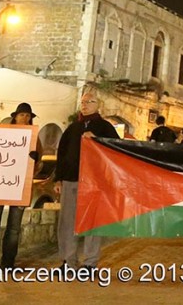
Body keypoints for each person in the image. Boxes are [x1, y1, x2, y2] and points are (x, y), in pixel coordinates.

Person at [54, 89, 119, 268]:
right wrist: (58, 178)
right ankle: (68, 260)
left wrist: (97, 140)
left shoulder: (106, 128)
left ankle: (90, 263)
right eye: (83, 102)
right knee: (67, 221)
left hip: (95, 182)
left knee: (93, 222)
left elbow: (116, 150)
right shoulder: (72, 128)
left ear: (99, 105)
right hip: (71, 179)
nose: (84, 105)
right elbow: (62, 153)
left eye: (89, 101)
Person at [0, 102, 39, 268]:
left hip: (20, 188)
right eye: (22, 115)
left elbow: (38, 164)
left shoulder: (34, 138)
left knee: (14, 228)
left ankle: (8, 263)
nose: (25, 118)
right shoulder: (2, 134)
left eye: (28, 116)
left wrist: (35, 159)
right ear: (15, 117)